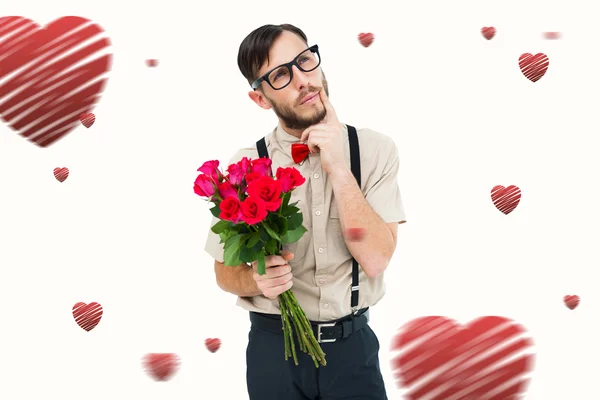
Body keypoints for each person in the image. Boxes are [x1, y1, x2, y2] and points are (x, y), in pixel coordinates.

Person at [203, 23, 407, 400]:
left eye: (304, 61)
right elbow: (224, 271)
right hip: (273, 350)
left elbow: (377, 259)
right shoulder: (246, 165)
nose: (302, 80)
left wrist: (339, 170)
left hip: (353, 349)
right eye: (281, 74)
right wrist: (256, 282)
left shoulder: (375, 151)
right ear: (261, 99)